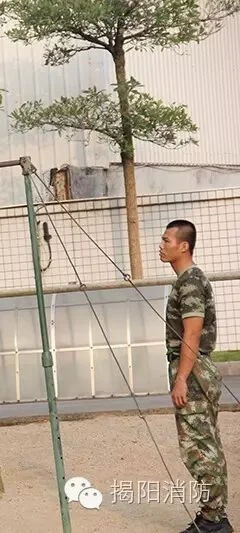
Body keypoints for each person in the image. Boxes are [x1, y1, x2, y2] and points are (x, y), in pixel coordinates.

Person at [159, 220, 232, 533]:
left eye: (166, 240)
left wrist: (181, 379)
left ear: (183, 246)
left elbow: (192, 332)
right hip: (196, 369)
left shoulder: (190, 281)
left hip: (193, 371)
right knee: (206, 444)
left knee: (198, 447)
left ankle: (214, 521)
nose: (161, 246)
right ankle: (213, 516)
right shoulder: (188, 280)